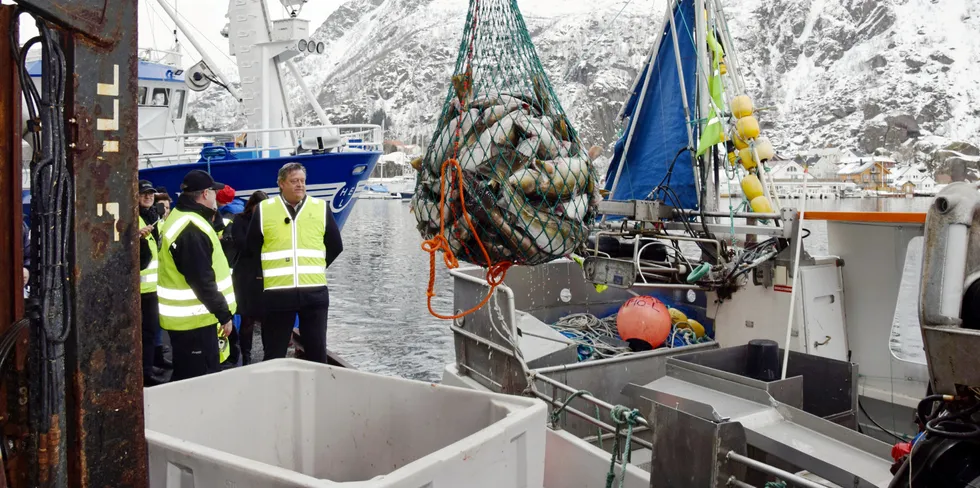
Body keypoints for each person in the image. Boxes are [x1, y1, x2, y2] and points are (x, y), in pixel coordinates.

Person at [243, 162, 343, 363]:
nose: (300, 185)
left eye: (302, 181)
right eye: (294, 181)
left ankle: (315, 391)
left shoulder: (320, 208)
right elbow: (251, 249)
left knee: (316, 351)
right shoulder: (264, 210)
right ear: (281, 184)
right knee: (274, 352)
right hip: (278, 293)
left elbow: (335, 246)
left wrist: (314, 267)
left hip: (314, 292)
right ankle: (274, 392)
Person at [156, 170, 236, 380]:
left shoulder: (180, 217)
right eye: (213, 192)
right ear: (204, 194)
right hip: (196, 322)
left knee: (189, 376)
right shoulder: (191, 228)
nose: (215, 197)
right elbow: (201, 280)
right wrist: (224, 314)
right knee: (200, 380)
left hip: (190, 322)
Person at [230, 191, 268, 365]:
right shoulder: (240, 220)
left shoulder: (269, 221)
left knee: (267, 316)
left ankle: (269, 353)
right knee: (247, 317)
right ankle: (246, 355)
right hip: (246, 274)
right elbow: (242, 244)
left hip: (264, 272)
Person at [137, 180, 165, 385]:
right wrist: (136, 237)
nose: (148, 196)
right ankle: (145, 372)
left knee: (153, 330)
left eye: (151, 193)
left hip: (154, 286)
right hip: (140, 288)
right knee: (146, 332)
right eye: (144, 193)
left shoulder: (154, 216)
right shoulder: (135, 218)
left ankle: (152, 363)